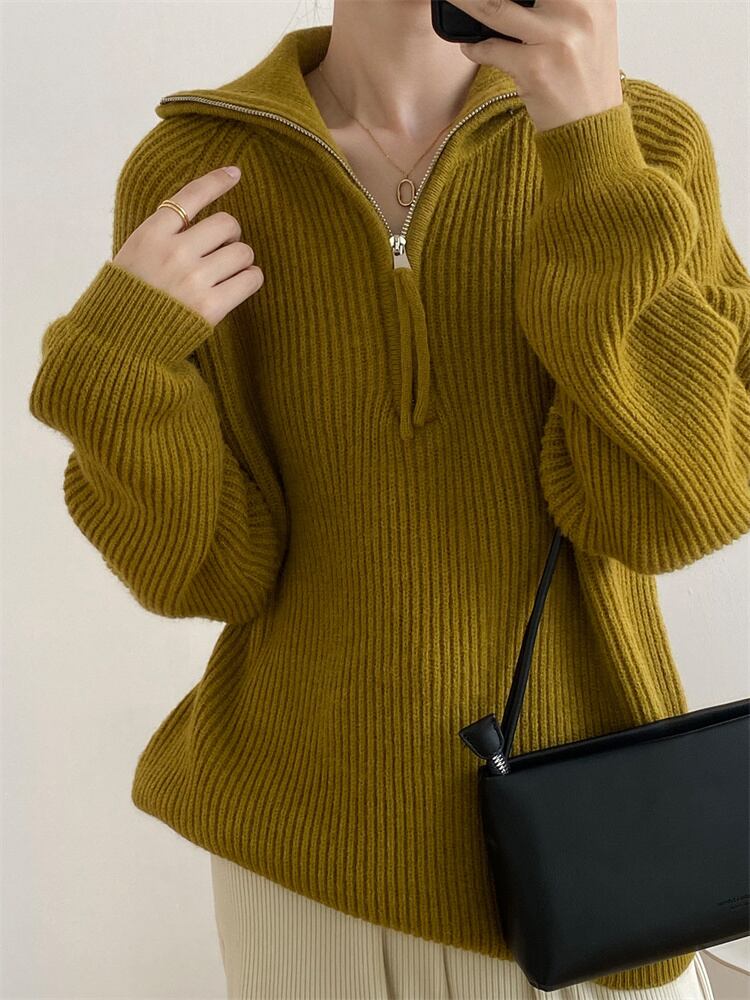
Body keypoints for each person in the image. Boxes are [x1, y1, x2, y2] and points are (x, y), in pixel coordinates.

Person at [28, 0, 749, 996]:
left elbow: (672, 509)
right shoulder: (198, 170)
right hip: (302, 857)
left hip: (591, 847)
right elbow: (207, 574)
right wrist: (117, 362)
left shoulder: (642, 140)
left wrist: (591, 151)